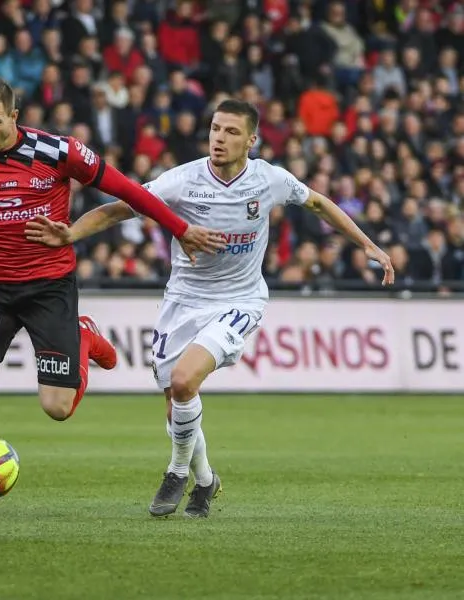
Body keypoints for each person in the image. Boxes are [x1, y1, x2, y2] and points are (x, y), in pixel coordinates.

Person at [26, 99, 395, 518]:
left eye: (231, 131)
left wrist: (367, 244)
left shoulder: (269, 180)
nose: (219, 138)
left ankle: (175, 472)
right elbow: (119, 209)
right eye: (216, 129)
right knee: (176, 403)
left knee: (185, 381)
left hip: (239, 300)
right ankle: (205, 481)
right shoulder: (182, 181)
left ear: (251, 140)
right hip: (183, 301)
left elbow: (318, 203)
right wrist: (70, 234)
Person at [0, 76, 225, 522]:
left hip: (49, 287)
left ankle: (83, 335)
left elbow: (129, 191)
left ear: (14, 116)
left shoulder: (58, 151)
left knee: (57, 408)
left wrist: (180, 229)